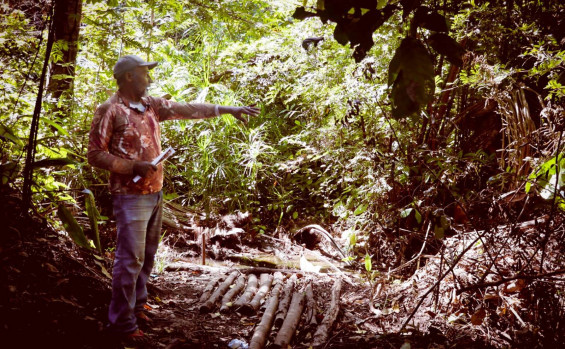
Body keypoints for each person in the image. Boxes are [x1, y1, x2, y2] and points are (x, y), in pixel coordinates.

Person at [87, 55, 259, 344]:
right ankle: (122, 324)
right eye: (144, 74)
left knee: (147, 255)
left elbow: (187, 109)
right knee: (130, 259)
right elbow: (95, 154)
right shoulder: (110, 110)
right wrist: (132, 167)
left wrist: (226, 109)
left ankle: (138, 306)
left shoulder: (150, 105)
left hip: (155, 192)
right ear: (129, 77)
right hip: (130, 197)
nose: (149, 79)